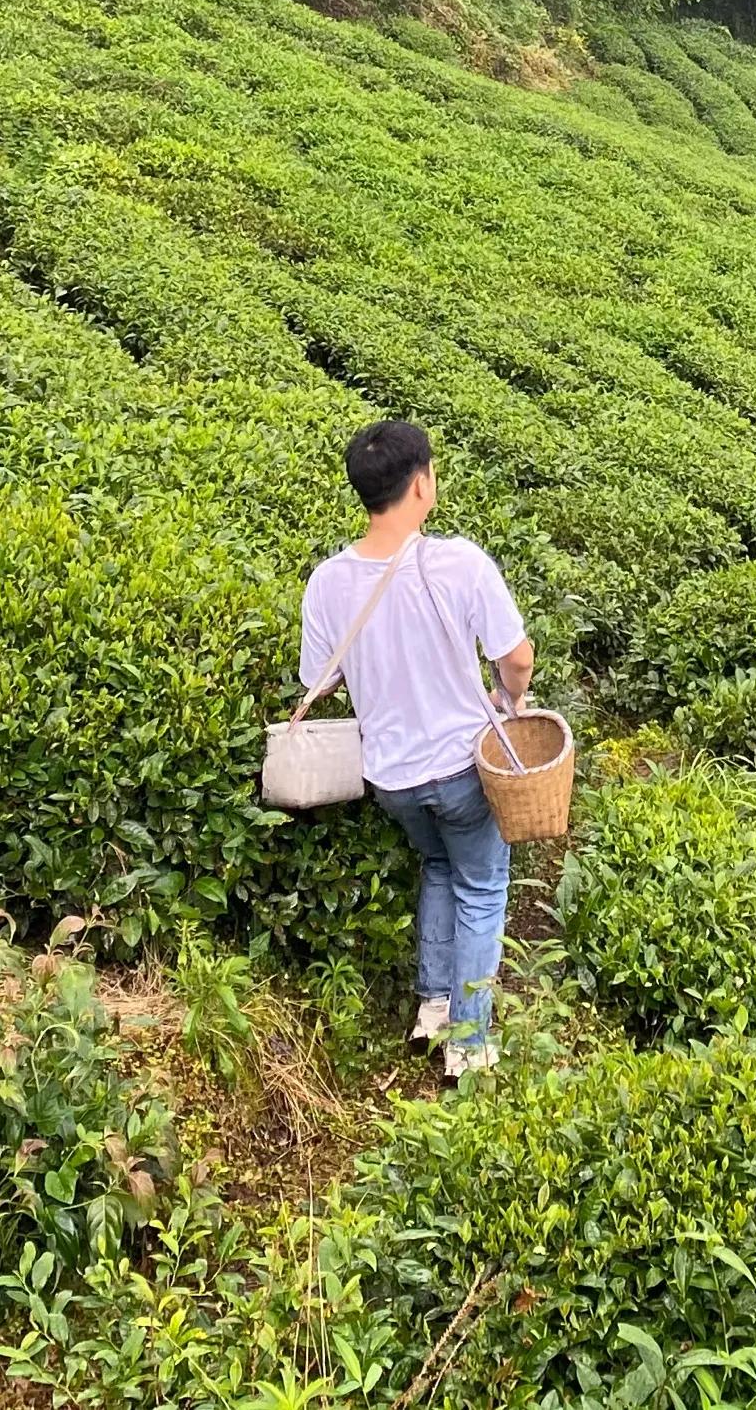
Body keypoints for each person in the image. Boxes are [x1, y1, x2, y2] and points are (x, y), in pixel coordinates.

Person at [301, 418, 533, 1080]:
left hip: (392, 777)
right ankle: (469, 1039)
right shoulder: (457, 562)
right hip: (461, 766)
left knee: (437, 866)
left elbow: (319, 680)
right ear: (422, 483)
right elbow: (516, 657)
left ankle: (432, 1008)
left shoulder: (328, 581)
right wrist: (507, 696)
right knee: (483, 884)